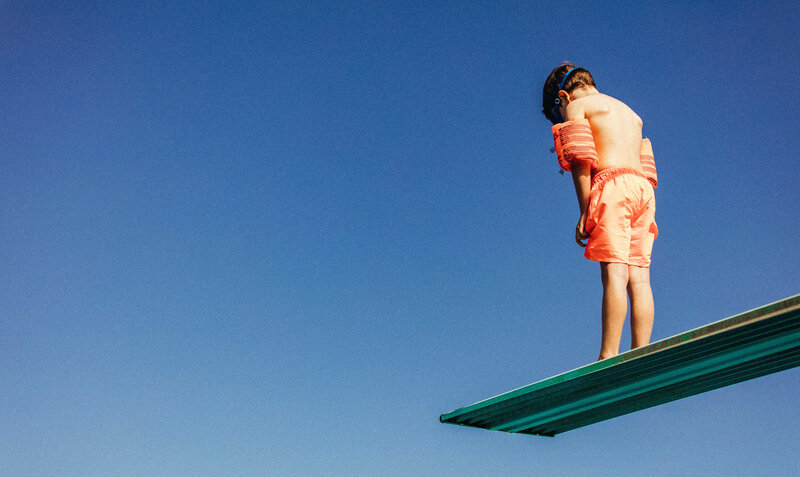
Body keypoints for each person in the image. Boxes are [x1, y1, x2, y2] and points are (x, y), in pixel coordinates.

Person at [542, 64, 658, 360]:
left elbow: (580, 157)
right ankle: (642, 350)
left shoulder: (578, 106)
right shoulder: (632, 114)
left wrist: (585, 209)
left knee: (614, 275)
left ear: (564, 97)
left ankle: (609, 354)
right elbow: (644, 157)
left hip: (612, 186)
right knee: (640, 278)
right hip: (643, 190)